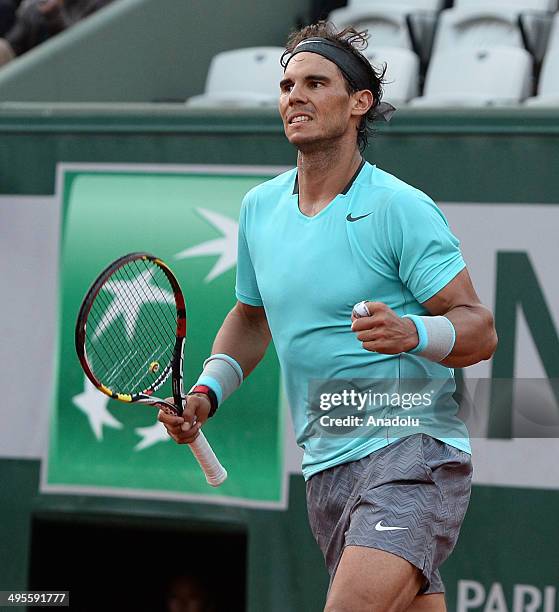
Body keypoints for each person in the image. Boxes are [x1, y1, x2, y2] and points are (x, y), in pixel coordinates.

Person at [159, 21, 498, 612]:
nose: (296, 96)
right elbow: (253, 319)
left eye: (317, 83)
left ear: (359, 103)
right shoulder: (259, 208)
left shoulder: (399, 207)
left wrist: (414, 332)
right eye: (287, 85)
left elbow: (480, 327)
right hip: (327, 467)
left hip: (412, 451)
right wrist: (206, 394)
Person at [0, 0, 112, 67]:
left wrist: (55, 18)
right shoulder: (34, 8)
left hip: (79, 69)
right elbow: (13, 45)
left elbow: (82, 50)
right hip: (36, 72)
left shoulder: (97, 5)